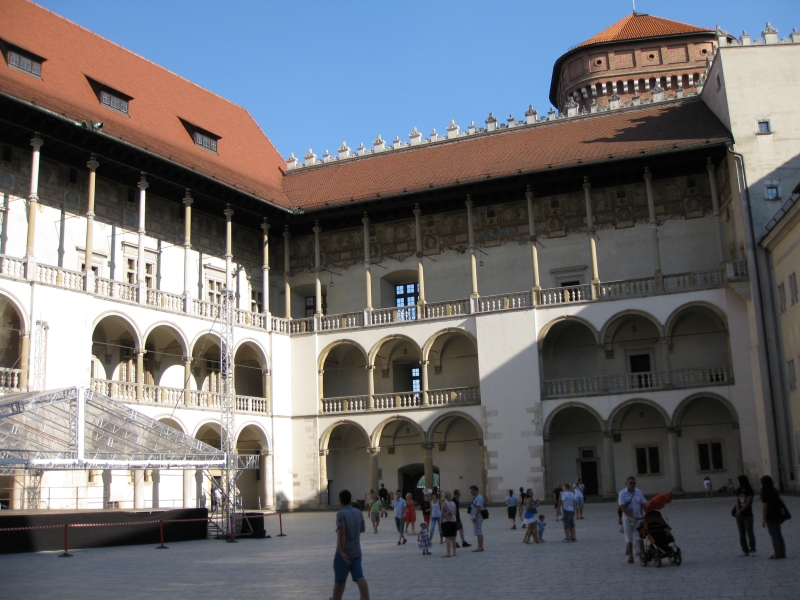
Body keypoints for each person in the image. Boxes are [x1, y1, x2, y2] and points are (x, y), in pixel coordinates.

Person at [331, 489, 370, 600]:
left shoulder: (341, 514)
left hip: (345, 552)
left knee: (340, 580)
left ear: (340, 500)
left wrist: (341, 551)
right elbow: (362, 529)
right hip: (356, 551)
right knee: (359, 577)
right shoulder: (358, 512)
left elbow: (342, 532)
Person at [618, 476, 647, 564]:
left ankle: (642, 554)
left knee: (640, 536)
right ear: (626, 483)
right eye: (631, 483)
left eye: (634, 483)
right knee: (629, 537)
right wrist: (631, 516)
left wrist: (647, 514)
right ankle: (630, 556)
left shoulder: (638, 492)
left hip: (638, 518)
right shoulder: (622, 493)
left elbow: (643, 504)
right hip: (628, 519)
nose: (633, 485)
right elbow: (622, 507)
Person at [761, 475, 788, 559]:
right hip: (777, 514)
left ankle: (777, 553)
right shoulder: (775, 491)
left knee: (773, 535)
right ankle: (782, 552)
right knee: (779, 534)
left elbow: (765, 507)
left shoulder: (765, 492)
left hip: (770, 515)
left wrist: (763, 519)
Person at [734, 474, 755, 557]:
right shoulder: (739, 490)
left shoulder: (749, 490)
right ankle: (744, 550)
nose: (737, 482)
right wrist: (737, 510)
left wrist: (740, 510)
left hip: (747, 514)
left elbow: (748, 502)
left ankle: (752, 549)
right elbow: (737, 501)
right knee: (741, 533)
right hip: (739, 515)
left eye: (738, 481)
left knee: (749, 532)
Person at [440, 492, 458, 557]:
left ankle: (448, 553)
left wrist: (441, 521)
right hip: (453, 521)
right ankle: (454, 552)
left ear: (445, 496)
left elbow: (442, 513)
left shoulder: (444, 503)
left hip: (446, 521)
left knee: (447, 537)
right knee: (453, 537)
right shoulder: (453, 503)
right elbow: (455, 513)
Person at [469, 485, 485, 552]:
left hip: (478, 516)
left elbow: (479, 507)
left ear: (476, 490)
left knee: (479, 531)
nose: (471, 492)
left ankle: (480, 547)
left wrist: (475, 516)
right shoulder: (477, 497)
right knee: (478, 531)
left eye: (472, 491)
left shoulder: (479, 498)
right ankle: (480, 546)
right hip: (476, 516)